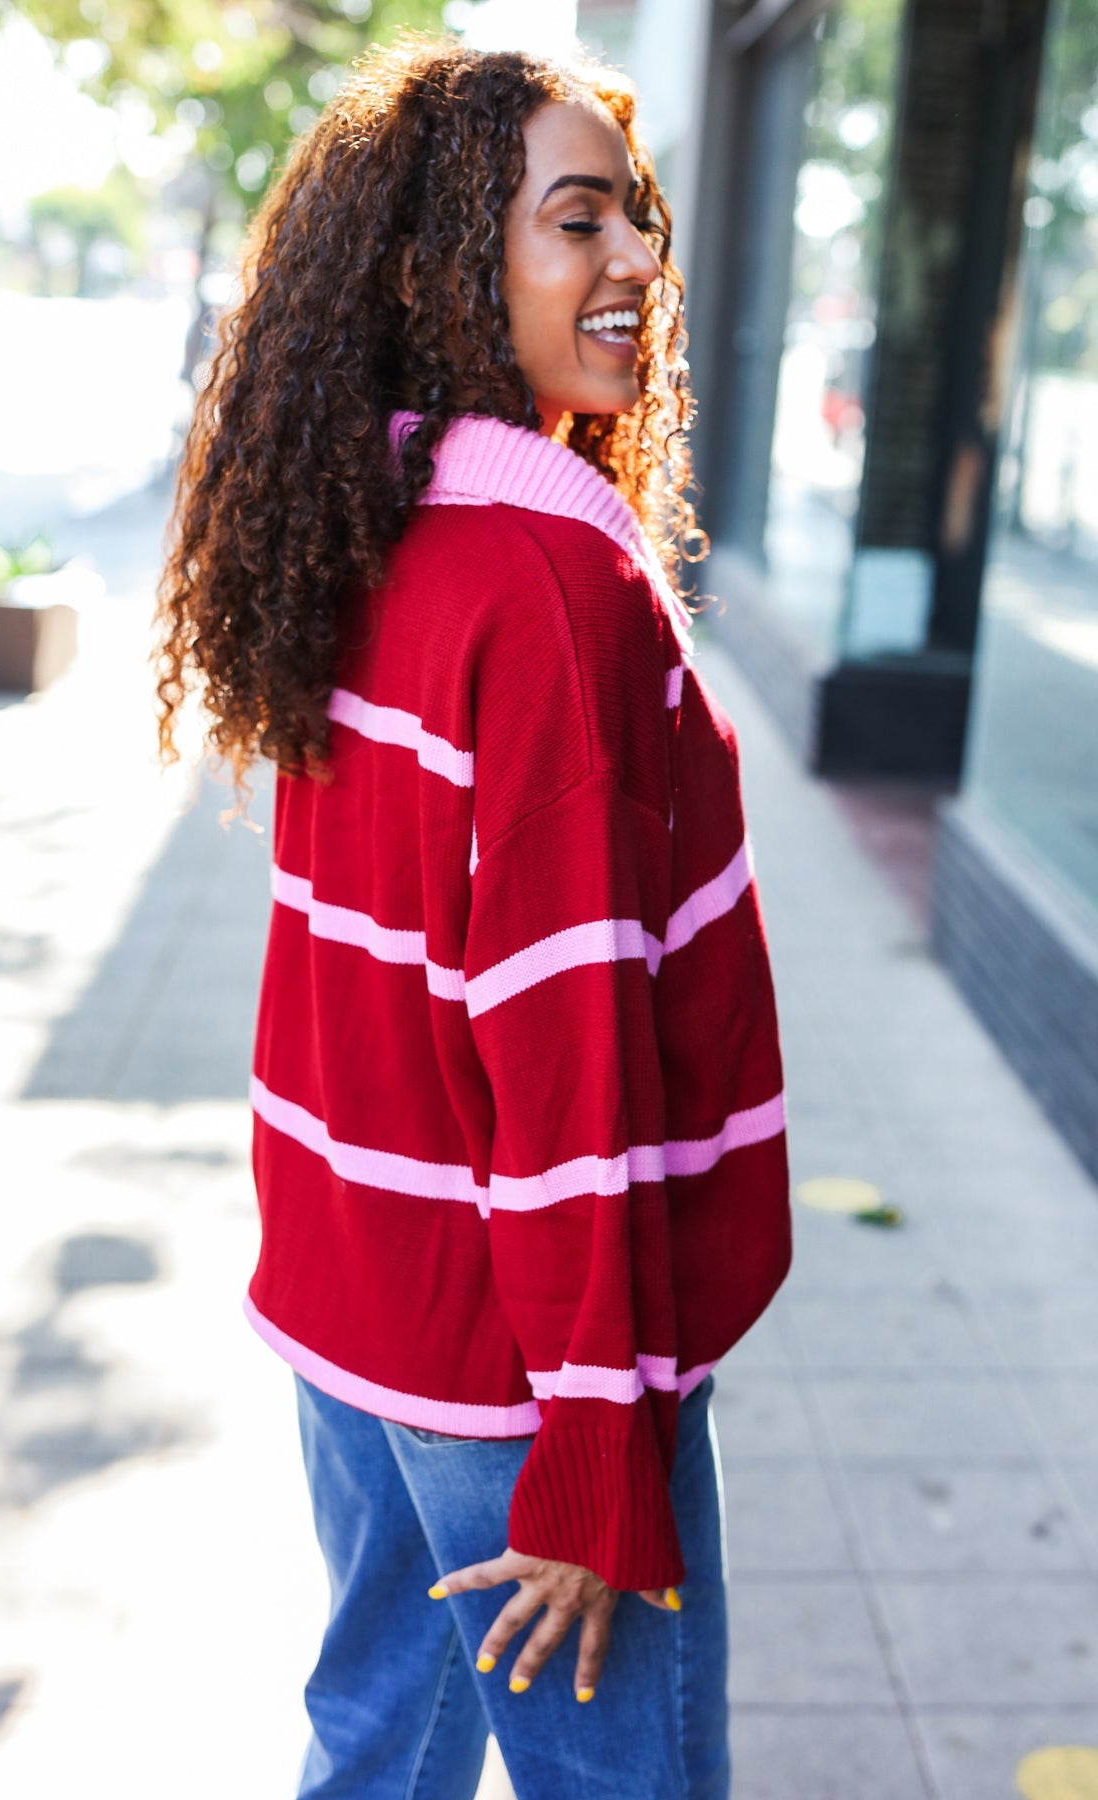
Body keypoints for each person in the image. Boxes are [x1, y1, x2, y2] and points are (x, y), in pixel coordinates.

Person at [152, 34, 792, 1800]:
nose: (639, 266)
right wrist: (599, 1444)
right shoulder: (548, 584)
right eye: (576, 223)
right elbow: (570, 1047)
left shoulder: (378, 524)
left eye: (638, 223)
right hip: (526, 1384)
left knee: (379, 1753)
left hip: (359, 1311)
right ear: (451, 268)